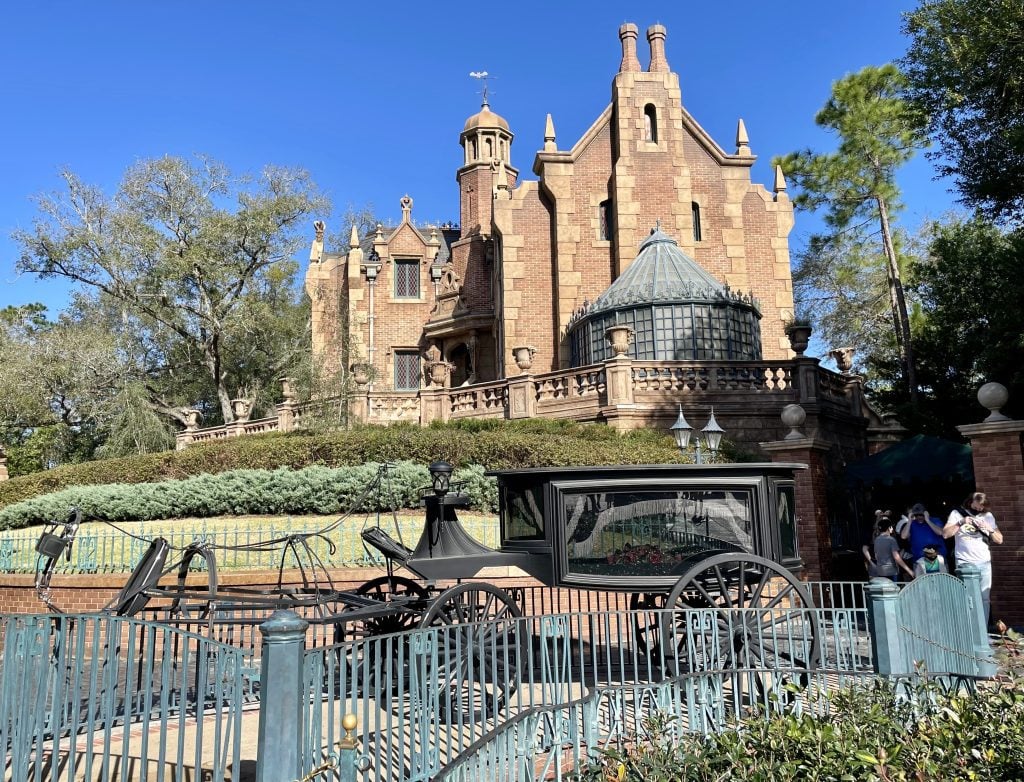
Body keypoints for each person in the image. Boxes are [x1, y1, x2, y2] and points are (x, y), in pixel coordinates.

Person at [944, 491, 1003, 624]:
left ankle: (983, 631)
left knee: (984, 598)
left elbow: (999, 540)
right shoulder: (957, 514)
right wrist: (960, 522)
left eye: (981, 508)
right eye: (975, 507)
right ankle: (970, 630)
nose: (978, 510)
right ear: (970, 502)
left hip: (984, 562)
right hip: (965, 562)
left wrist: (990, 529)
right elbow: (945, 534)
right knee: (968, 597)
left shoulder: (988, 516)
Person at [901, 502, 946, 570]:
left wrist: (928, 520)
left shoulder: (935, 520)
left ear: (925, 513)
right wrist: (909, 521)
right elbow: (903, 536)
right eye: (916, 515)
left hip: (937, 560)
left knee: (940, 580)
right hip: (919, 562)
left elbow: (940, 532)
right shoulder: (912, 524)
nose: (919, 517)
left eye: (921, 514)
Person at [869, 517, 914, 582]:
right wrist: (909, 570)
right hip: (891, 571)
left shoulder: (876, 540)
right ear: (888, 528)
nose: (892, 528)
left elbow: (876, 556)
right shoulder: (891, 540)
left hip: (880, 571)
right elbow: (896, 557)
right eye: (891, 527)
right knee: (893, 590)